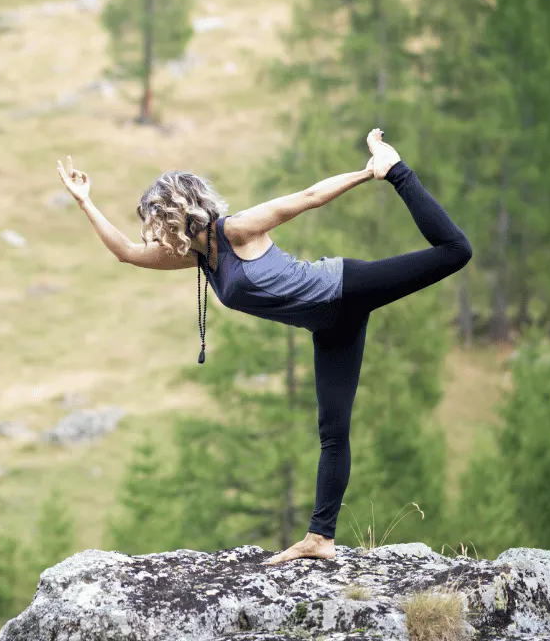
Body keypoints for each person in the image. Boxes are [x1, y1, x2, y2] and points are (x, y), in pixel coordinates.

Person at [56, 128, 472, 565]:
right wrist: (85, 201)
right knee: (333, 433)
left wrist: (374, 173)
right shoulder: (195, 256)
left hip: (347, 288)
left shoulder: (235, 231)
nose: (152, 232)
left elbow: (309, 196)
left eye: (156, 221)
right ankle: (320, 539)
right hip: (331, 326)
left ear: (180, 213)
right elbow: (124, 251)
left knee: (454, 251)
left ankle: (400, 171)